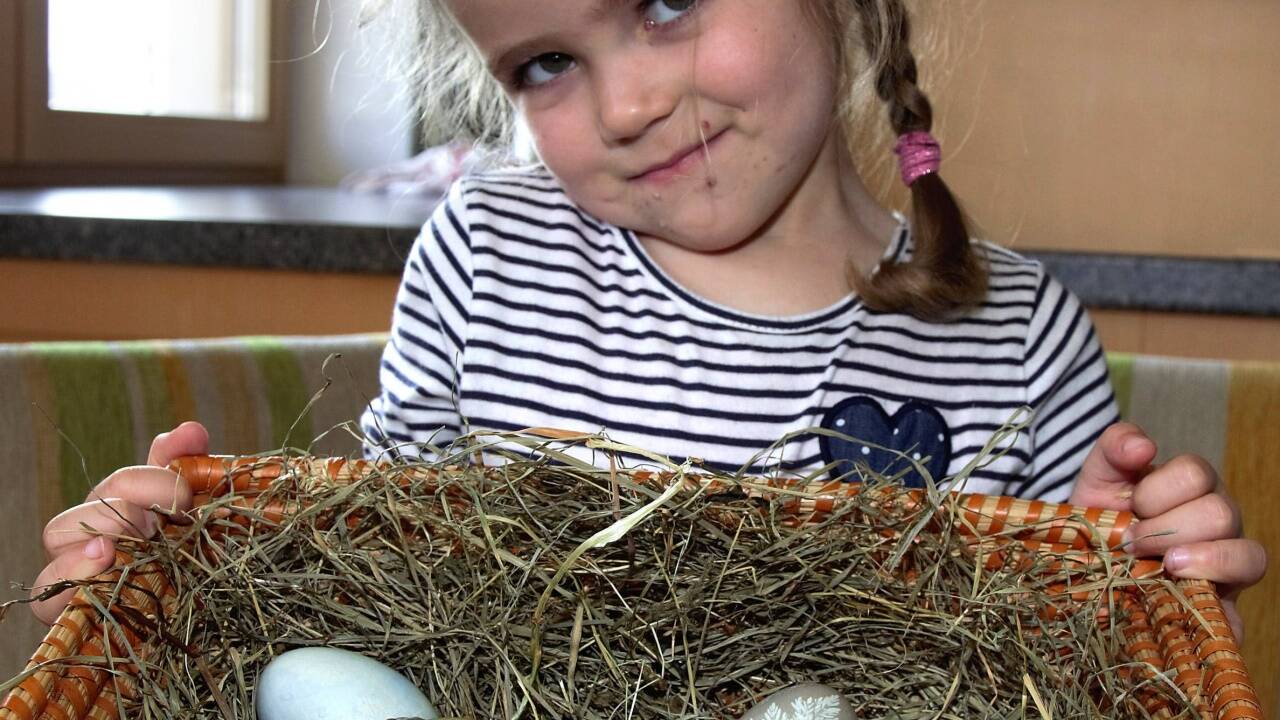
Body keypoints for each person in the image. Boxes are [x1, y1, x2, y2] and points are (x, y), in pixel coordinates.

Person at [32, 0, 1264, 642]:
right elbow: (372, 580)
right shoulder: (488, 256)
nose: (623, 103)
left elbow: (1066, 656)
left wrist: (1136, 581)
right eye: (543, 66)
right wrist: (181, 581)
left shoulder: (1015, 335)